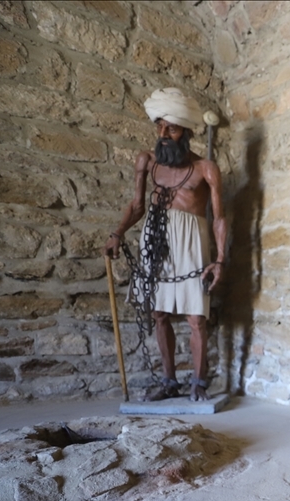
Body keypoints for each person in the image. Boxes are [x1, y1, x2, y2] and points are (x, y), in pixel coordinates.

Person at [104, 88, 227, 402]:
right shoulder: (147, 161)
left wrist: (221, 259)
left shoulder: (205, 169)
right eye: (159, 126)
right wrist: (117, 233)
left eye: (170, 128)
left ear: (185, 131)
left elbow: (218, 218)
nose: (163, 133)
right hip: (155, 240)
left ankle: (198, 382)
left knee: (196, 317)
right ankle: (169, 380)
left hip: (192, 242)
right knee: (159, 313)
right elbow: (136, 205)